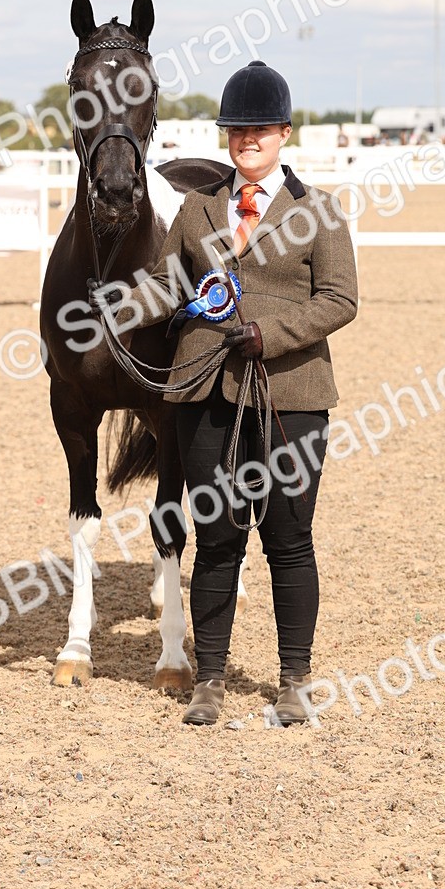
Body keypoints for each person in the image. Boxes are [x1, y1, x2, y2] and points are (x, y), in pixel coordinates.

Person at [92, 60, 358, 726]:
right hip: (204, 390)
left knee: (289, 540)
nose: (247, 140)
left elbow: (341, 299)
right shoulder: (198, 208)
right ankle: (209, 678)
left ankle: (293, 680)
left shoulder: (317, 212)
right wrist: (119, 311)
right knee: (216, 540)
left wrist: (271, 333)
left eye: (259, 129)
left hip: (291, 395)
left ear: (284, 134)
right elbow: (166, 283)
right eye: (237, 130)